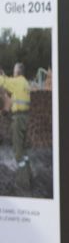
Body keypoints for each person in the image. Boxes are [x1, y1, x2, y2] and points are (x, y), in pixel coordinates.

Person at [0, 62, 32, 191]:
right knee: (23, 150)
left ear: (18, 71)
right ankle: (29, 175)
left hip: (18, 119)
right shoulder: (25, 83)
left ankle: (23, 183)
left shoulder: (17, 82)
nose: (13, 72)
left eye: (14, 70)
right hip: (25, 117)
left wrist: (1, 76)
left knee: (18, 152)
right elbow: (10, 82)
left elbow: (3, 82)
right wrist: (5, 76)